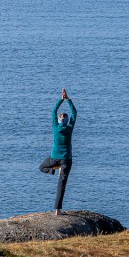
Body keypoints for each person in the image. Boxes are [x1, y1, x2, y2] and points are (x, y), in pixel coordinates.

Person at [39, 87, 77, 215]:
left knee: (41, 167)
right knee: (62, 184)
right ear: (66, 121)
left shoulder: (55, 127)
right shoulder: (69, 128)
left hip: (54, 157)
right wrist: (68, 99)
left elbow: (53, 111)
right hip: (66, 159)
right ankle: (57, 210)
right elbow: (75, 113)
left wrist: (61, 100)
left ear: (59, 120)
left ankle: (53, 169)